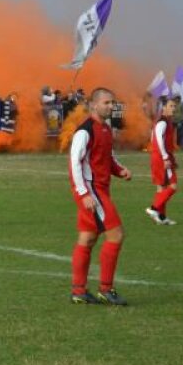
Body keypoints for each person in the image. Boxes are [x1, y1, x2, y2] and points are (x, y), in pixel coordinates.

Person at [68, 87, 132, 306]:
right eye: (106, 103)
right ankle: (106, 289)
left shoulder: (105, 128)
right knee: (116, 235)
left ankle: (78, 291)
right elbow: (74, 163)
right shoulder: (84, 131)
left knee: (88, 238)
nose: (111, 106)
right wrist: (84, 193)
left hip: (100, 189)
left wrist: (120, 170)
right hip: (91, 190)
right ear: (93, 104)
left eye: (112, 103)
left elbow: (107, 156)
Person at [145, 97, 178, 226]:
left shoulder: (164, 121)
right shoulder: (162, 122)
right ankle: (153, 208)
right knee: (173, 186)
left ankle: (162, 217)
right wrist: (165, 157)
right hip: (161, 158)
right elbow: (157, 139)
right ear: (163, 107)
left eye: (174, 106)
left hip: (159, 157)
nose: (173, 109)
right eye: (171, 106)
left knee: (161, 188)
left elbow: (154, 137)